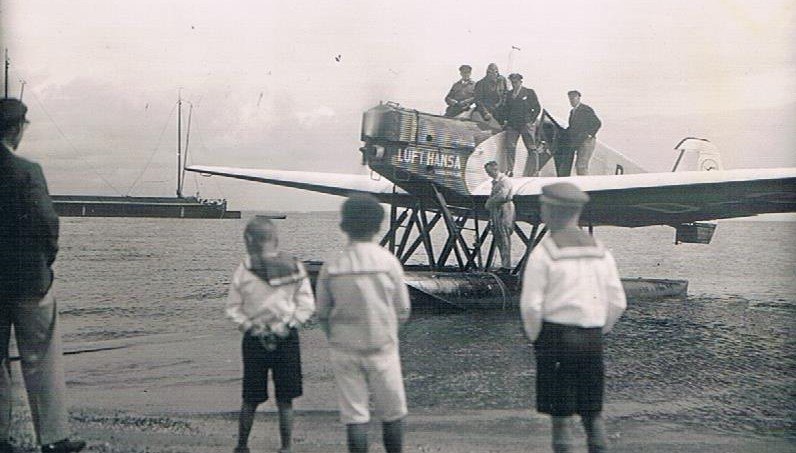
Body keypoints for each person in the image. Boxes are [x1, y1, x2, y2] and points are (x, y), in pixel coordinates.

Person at [0, 99, 86, 453]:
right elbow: (48, 223)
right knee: (41, 359)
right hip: (29, 279)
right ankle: (52, 439)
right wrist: (46, 261)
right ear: (17, 128)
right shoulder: (28, 171)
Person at [519, 182, 626, 453]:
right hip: (591, 338)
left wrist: (537, 337)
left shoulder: (545, 252)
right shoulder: (600, 250)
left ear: (549, 212)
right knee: (593, 417)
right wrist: (597, 330)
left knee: (561, 422)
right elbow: (617, 301)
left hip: (556, 339)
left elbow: (531, 306)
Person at [315, 194, 411, 453]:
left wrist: (334, 336)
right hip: (382, 346)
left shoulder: (332, 264)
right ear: (379, 226)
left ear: (343, 225)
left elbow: (322, 312)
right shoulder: (389, 262)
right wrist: (389, 333)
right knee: (393, 412)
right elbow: (402, 309)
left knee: (355, 415)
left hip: (344, 347)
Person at [226, 216, 315, 453]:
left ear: (248, 241)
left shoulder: (244, 269)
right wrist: (289, 324)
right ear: (275, 239)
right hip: (286, 336)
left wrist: (250, 326)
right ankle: (286, 447)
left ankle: (242, 445)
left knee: (250, 397)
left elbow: (233, 308)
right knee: (286, 399)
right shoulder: (294, 266)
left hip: (255, 338)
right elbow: (306, 305)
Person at [501, 73, 541, 177]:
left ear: (520, 81)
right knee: (510, 147)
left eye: (516, 82)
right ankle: (510, 170)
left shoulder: (529, 93)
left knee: (531, 148)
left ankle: (534, 171)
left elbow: (537, 108)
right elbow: (506, 109)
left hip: (525, 124)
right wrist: (506, 120)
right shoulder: (509, 94)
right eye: (512, 82)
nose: (514, 84)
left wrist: (530, 121)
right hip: (513, 125)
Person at [483, 161, 515, 272]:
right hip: (497, 210)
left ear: (494, 169)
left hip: (505, 210)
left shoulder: (504, 181)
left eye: (488, 171)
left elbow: (503, 196)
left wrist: (489, 203)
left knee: (504, 237)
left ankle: (506, 266)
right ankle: (504, 264)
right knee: (499, 238)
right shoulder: (496, 182)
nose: (488, 174)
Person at [564, 90, 601, 176]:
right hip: (579, 141)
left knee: (581, 166)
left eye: (574, 98)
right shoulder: (572, 112)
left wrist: (589, 135)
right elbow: (572, 128)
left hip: (586, 141)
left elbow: (597, 123)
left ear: (579, 98)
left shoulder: (585, 109)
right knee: (579, 166)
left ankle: (586, 186)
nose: (572, 100)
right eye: (570, 98)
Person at [472, 63, 508, 128]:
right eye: (490, 72)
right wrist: (485, 113)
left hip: (500, 111)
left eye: (496, 72)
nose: (494, 74)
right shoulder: (481, 83)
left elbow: (505, 94)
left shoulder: (502, 80)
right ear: (487, 72)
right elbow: (478, 100)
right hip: (487, 111)